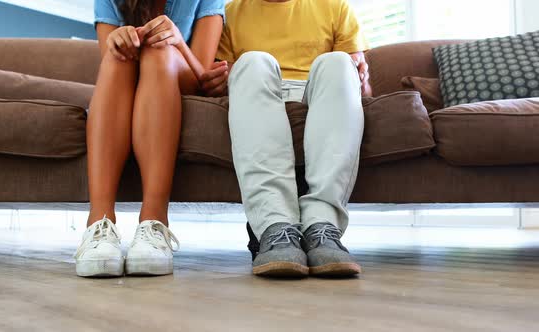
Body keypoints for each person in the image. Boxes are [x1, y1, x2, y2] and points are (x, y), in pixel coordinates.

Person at [200, 0, 371, 277]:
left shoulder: (335, 7)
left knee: (339, 61)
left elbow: (361, 87)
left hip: (316, 91)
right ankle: (275, 226)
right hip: (258, 86)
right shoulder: (228, 13)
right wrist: (216, 81)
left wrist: (361, 78)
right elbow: (220, 78)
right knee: (253, 60)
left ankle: (322, 228)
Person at [75, 0, 225, 278]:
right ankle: (99, 224)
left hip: (180, 72)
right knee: (117, 56)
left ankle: (154, 222)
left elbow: (202, 74)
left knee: (158, 51)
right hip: (129, 73)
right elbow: (109, 55)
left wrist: (177, 41)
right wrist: (118, 40)